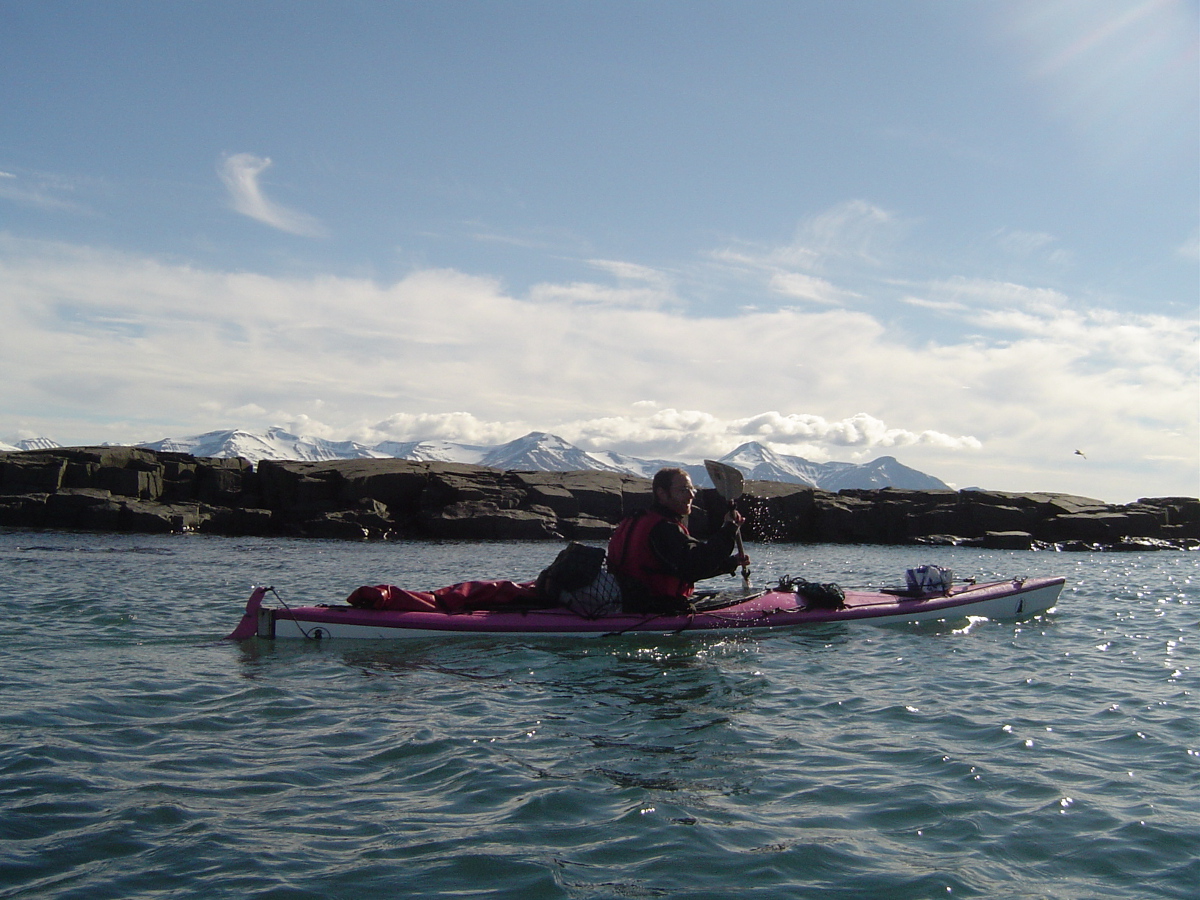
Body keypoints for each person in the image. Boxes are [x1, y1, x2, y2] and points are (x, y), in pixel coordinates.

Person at [607, 467, 750, 614]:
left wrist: (731, 563)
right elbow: (697, 565)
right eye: (683, 490)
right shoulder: (663, 528)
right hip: (658, 608)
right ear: (662, 494)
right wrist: (729, 529)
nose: (691, 496)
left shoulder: (639, 519)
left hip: (631, 604)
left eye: (692, 490)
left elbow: (682, 567)